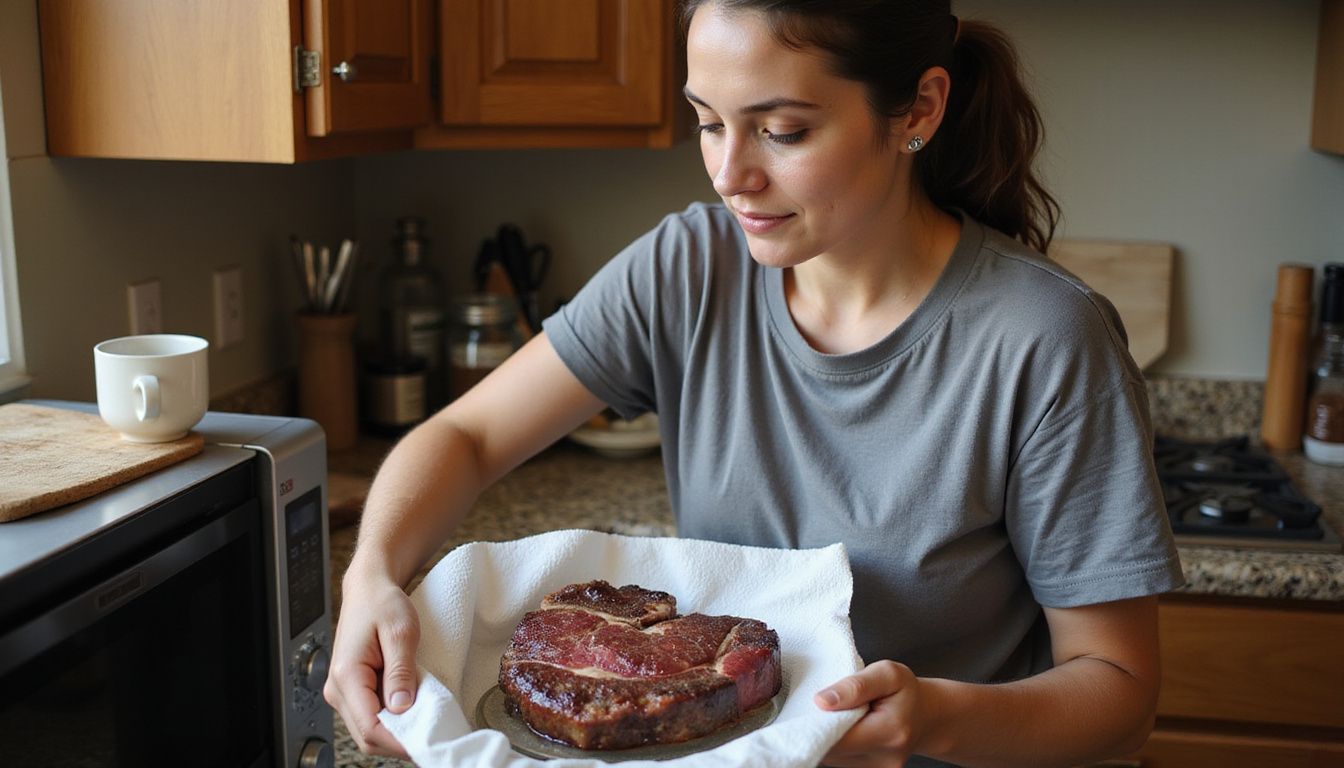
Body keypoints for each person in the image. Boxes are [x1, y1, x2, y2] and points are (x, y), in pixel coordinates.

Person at [325, 1, 1185, 765]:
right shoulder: (688, 267)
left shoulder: (1044, 337)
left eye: (782, 130)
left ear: (919, 109)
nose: (729, 174)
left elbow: (1118, 694)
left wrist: (931, 720)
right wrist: (371, 575)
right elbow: (467, 435)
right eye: (708, 122)